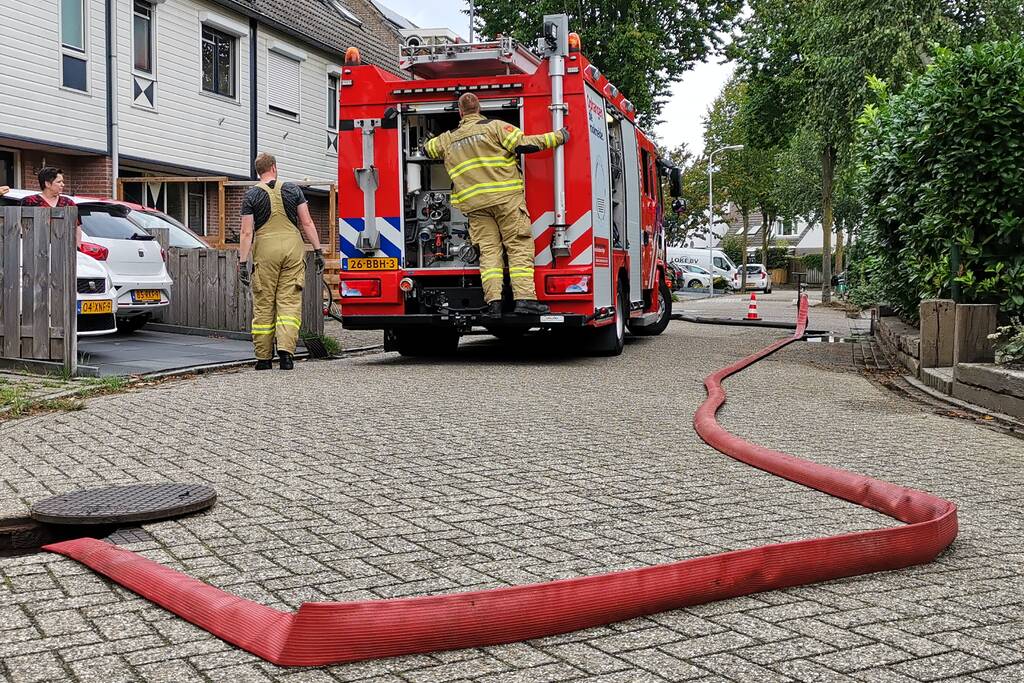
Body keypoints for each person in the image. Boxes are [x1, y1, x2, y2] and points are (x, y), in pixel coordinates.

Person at [425, 93, 568, 316]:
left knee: (489, 253)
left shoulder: (447, 139)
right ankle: (525, 300)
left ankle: (494, 304)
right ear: (479, 108)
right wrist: (557, 137)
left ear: (460, 113)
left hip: (475, 205)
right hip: (506, 200)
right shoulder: (496, 127)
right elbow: (525, 144)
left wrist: (431, 137)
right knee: (518, 247)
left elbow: (427, 149)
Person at [238, 153, 325, 371]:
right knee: (289, 302)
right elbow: (306, 222)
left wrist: (242, 262)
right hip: (292, 249)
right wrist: (318, 250)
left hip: (265, 251)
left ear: (259, 171)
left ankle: (264, 359)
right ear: (274, 167)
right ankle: (286, 356)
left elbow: (246, 232)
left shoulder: (251, 195)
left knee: (264, 303)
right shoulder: (293, 190)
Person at [21, 167, 81, 246]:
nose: (63, 185)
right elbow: (20, 226)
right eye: (59, 182)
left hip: (63, 249)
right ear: (47, 184)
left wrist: (77, 247)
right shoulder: (30, 201)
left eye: (62, 181)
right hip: (36, 248)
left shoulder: (68, 203)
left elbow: (77, 226)